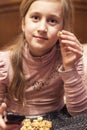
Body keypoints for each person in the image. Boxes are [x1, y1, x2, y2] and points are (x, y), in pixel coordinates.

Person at [0, 0, 87, 129]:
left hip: (57, 120)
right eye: (35, 18)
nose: (42, 29)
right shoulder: (4, 61)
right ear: (24, 24)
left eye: (52, 21)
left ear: (62, 29)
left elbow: (79, 112)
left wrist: (69, 67)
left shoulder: (71, 58)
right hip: (16, 121)